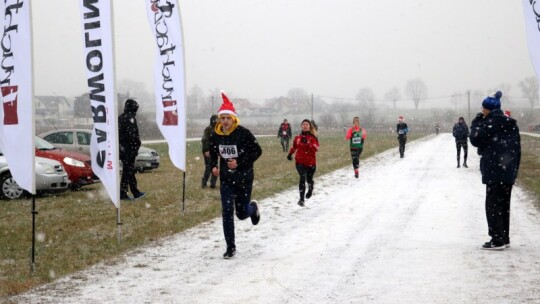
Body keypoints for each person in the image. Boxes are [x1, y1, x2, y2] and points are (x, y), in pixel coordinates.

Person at [209, 92, 262, 259]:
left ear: (234, 119)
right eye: (222, 118)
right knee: (226, 211)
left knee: (240, 213)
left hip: (243, 177)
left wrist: (239, 163)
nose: (225, 121)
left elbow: (257, 151)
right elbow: (212, 151)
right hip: (226, 179)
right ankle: (230, 247)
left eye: (228, 118)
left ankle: (253, 209)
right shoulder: (215, 134)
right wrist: (213, 167)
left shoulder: (243, 133)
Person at [469, 91, 521, 250]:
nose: (481, 110)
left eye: (483, 107)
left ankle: (496, 239)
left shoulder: (488, 123)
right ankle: (504, 237)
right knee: (504, 204)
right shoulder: (510, 123)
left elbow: (474, 139)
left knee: (492, 205)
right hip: (508, 169)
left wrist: (476, 122)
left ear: (488, 109)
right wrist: (514, 169)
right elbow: (517, 148)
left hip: (493, 169)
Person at [287, 119, 319, 206]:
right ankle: (301, 199)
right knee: (302, 178)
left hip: (311, 163)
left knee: (308, 179)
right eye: (303, 124)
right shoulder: (298, 137)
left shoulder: (313, 138)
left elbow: (316, 148)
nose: (305, 126)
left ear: (309, 127)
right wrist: (290, 154)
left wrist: (308, 143)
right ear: (301, 126)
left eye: (307, 124)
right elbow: (294, 147)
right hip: (300, 162)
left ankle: (311, 186)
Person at [118, 99, 145, 200]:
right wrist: (137, 144)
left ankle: (134, 191)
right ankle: (124, 193)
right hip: (128, 149)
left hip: (123, 149)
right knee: (128, 171)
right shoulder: (130, 118)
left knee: (129, 171)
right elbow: (132, 135)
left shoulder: (121, 118)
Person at [201, 114, 218, 189]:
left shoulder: (218, 129)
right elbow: (204, 140)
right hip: (208, 151)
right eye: (216, 119)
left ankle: (213, 184)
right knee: (208, 168)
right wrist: (206, 150)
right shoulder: (208, 129)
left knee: (215, 167)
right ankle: (204, 183)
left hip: (215, 151)